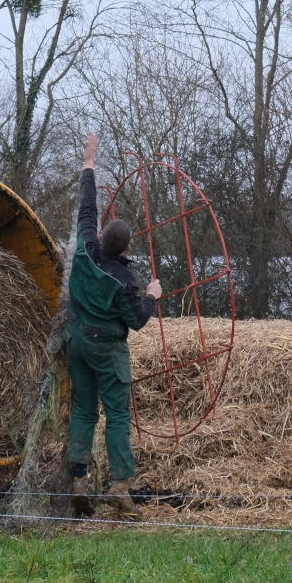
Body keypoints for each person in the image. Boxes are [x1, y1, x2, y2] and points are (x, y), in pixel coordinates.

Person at [65, 132, 162, 519]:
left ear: (101, 236)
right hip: (107, 349)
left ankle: (78, 481)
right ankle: (120, 490)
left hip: (76, 342)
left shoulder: (86, 248)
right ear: (126, 248)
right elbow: (136, 321)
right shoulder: (125, 280)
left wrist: (89, 161)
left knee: (84, 411)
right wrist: (152, 294)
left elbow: (87, 207)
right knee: (117, 415)